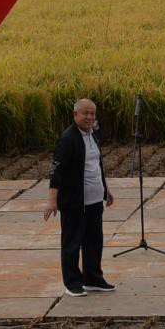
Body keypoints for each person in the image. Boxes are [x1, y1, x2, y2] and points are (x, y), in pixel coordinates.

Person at [43, 98, 116, 297]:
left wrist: (106, 190)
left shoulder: (94, 134)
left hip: (95, 200)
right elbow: (56, 171)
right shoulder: (68, 139)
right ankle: (72, 283)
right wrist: (52, 200)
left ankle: (93, 279)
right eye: (85, 113)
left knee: (94, 242)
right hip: (74, 202)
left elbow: (96, 166)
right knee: (72, 243)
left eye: (92, 113)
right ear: (75, 115)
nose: (90, 117)